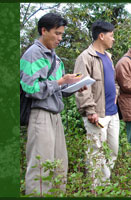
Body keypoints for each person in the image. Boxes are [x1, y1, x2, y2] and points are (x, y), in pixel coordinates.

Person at [20, 13, 84, 195]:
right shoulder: (33, 54)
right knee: (41, 166)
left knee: (59, 164)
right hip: (40, 115)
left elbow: (57, 90)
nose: (60, 38)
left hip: (55, 116)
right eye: (57, 33)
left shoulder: (55, 58)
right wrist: (61, 82)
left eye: (62, 34)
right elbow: (30, 88)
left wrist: (74, 87)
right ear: (44, 31)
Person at [74, 20, 120, 187]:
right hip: (97, 114)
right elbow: (81, 88)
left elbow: (113, 81)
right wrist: (89, 110)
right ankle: (97, 188)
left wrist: (116, 93)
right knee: (96, 152)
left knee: (113, 150)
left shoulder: (108, 57)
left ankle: (105, 183)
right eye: (111, 36)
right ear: (101, 36)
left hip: (112, 112)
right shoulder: (85, 57)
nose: (113, 39)